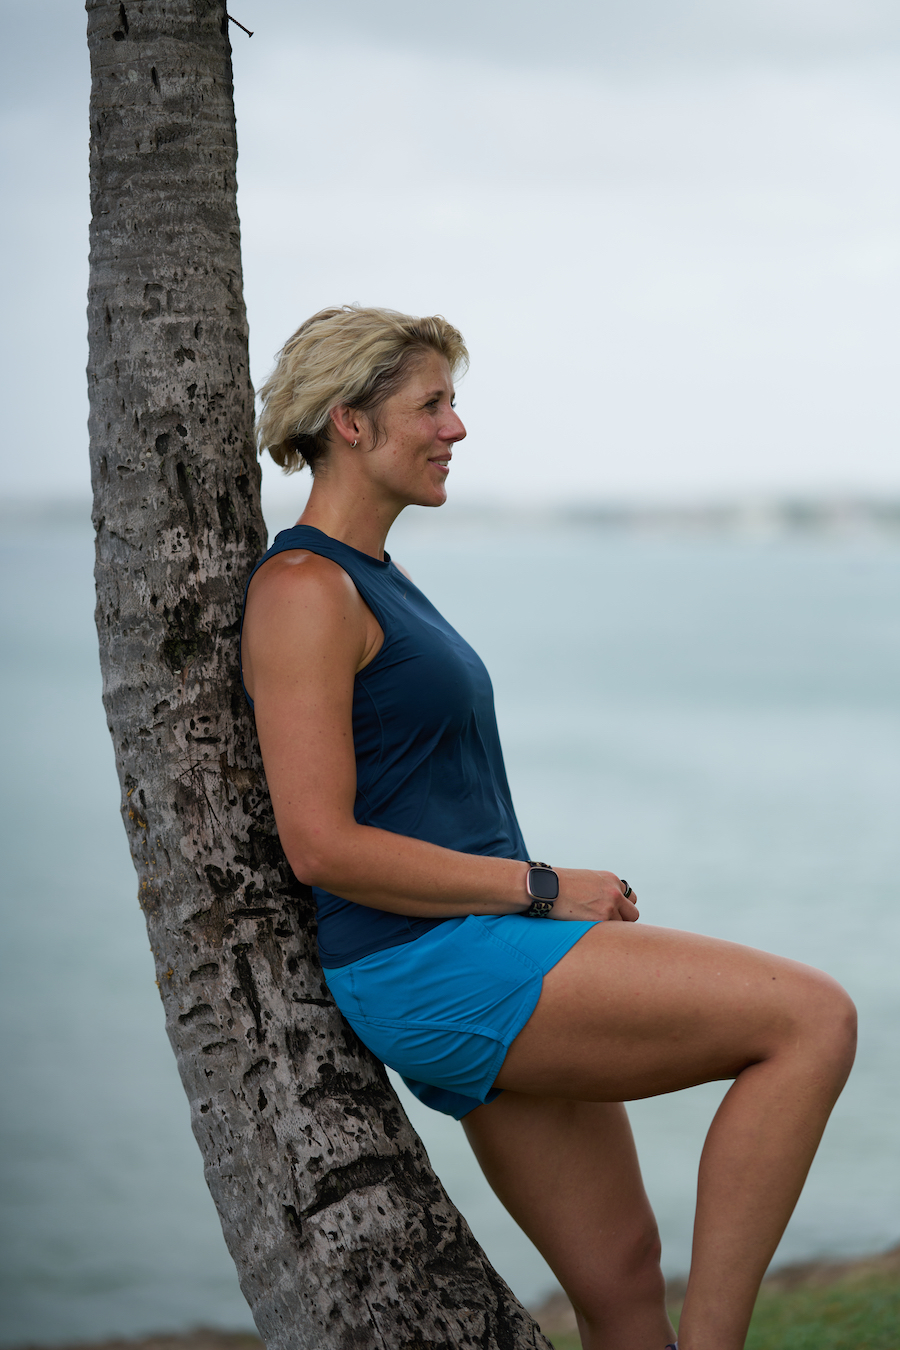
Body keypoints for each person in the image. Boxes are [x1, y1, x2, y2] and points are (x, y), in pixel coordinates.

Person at [240, 305, 856, 1350]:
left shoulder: (375, 577)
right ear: (349, 422)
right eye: (431, 405)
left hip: (473, 951)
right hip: (431, 962)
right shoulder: (305, 587)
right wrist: (541, 888)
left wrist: (532, 903)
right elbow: (321, 846)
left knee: (620, 1284)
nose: (456, 429)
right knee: (811, 1023)